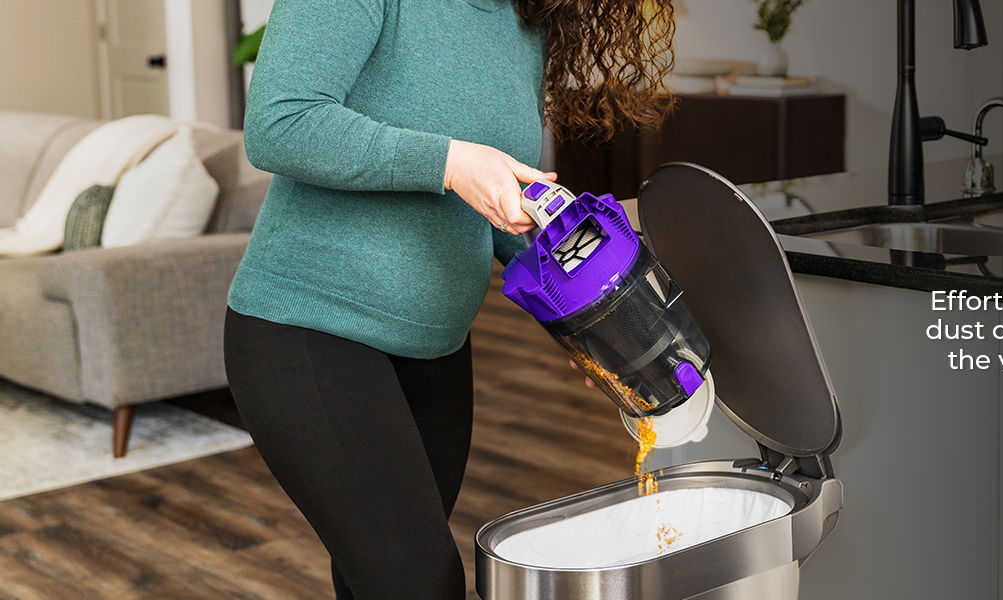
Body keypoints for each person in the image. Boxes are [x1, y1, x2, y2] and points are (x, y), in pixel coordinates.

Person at [221, 1, 673, 598]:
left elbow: (501, 207)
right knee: (419, 581)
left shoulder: (523, 19)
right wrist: (451, 161)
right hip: (306, 333)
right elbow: (281, 123)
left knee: (378, 579)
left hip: (435, 351)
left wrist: (596, 324)